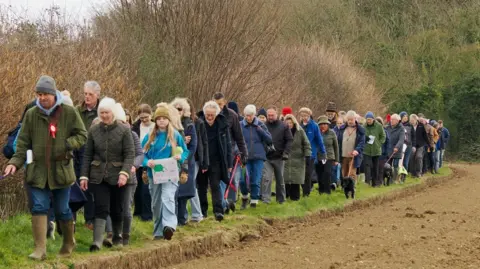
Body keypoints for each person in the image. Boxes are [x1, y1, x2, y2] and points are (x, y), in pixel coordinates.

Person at [5, 75, 87, 260]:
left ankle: (68, 243)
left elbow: (82, 135)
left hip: (61, 171)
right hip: (38, 171)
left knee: (62, 210)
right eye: (39, 94)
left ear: (53, 93)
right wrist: (13, 164)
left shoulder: (69, 112)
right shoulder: (31, 114)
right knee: (39, 207)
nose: (42, 98)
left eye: (45, 94)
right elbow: (23, 143)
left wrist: (68, 144)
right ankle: (40, 250)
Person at [79, 97, 134, 251]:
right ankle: (97, 241)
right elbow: (88, 154)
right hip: (98, 175)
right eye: (101, 113)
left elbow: (130, 153)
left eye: (107, 112)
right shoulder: (93, 130)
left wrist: (124, 172)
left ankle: (117, 236)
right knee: (101, 206)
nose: (104, 115)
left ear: (113, 113)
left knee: (117, 208)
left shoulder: (124, 130)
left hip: (118, 175)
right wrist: (84, 175)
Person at [141, 105, 189, 240]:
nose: (161, 121)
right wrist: (147, 162)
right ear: (155, 120)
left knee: (167, 197)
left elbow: (185, 151)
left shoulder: (175, 135)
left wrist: (181, 157)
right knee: (156, 203)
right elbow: (141, 155)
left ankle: (169, 226)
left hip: (171, 174)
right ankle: (158, 231)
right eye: (159, 119)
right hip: (154, 175)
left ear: (168, 120)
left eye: (164, 118)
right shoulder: (150, 137)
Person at [197, 101, 232, 221]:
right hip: (202, 160)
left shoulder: (222, 125)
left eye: (212, 114)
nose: (210, 117)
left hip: (216, 160)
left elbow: (228, 145)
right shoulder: (199, 123)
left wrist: (229, 163)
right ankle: (203, 210)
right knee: (201, 186)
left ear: (216, 114)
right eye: (208, 114)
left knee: (215, 185)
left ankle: (218, 211)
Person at [212, 93, 247, 213]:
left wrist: (244, 153)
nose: (218, 107)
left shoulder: (232, 115)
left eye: (220, 104)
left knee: (233, 180)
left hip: (231, 153)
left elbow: (239, 136)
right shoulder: (210, 115)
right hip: (215, 154)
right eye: (216, 104)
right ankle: (224, 204)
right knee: (219, 181)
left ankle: (231, 202)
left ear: (224, 102)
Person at [76, 81, 101, 230]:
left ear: (97, 95)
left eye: (90, 94)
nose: (87, 97)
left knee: (96, 187)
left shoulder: (103, 110)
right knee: (84, 185)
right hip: (81, 151)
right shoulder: (78, 110)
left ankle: (100, 218)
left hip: (98, 152)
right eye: (85, 93)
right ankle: (89, 219)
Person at [170, 98, 198, 226]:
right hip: (170, 163)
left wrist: (183, 158)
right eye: (175, 109)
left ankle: (182, 218)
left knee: (183, 193)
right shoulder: (169, 124)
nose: (177, 111)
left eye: (180, 109)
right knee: (172, 193)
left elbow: (193, 146)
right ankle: (173, 220)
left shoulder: (190, 125)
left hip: (186, 162)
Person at [240, 105, 272, 208]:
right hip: (244, 157)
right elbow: (235, 140)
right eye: (246, 115)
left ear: (254, 115)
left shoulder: (261, 125)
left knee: (255, 180)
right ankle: (245, 197)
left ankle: (254, 200)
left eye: (250, 115)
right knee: (243, 180)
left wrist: (260, 131)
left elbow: (269, 140)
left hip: (258, 156)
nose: (248, 118)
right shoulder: (240, 125)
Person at [262, 106, 293, 204]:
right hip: (266, 157)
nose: (270, 117)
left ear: (276, 114)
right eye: (269, 115)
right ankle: (266, 200)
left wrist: (286, 152)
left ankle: (281, 200)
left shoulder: (284, 126)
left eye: (272, 115)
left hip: (279, 157)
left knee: (280, 180)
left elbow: (289, 140)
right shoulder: (263, 126)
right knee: (266, 178)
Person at [132, 104, 155, 221]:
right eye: (141, 118)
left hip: (150, 161)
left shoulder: (156, 126)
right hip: (137, 162)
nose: (144, 120)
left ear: (151, 115)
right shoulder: (135, 127)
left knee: (146, 190)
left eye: (146, 117)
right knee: (137, 189)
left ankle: (147, 215)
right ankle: (138, 212)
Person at [186, 98, 207, 223]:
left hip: (195, 158)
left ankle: (197, 214)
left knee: (190, 184)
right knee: (187, 185)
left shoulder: (198, 122)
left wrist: (204, 161)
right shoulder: (175, 123)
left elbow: (203, 143)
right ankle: (190, 214)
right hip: (180, 158)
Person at [283, 114, 311, 201]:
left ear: (294, 123)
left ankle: (295, 198)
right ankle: (285, 196)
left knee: (296, 179)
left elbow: (306, 144)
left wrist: (307, 155)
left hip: (298, 158)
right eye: (287, 123)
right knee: (285, 178)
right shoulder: (282, 132)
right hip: (285, 158)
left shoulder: (300, 131)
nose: (289, 124)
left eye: (290, 123)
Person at [298, 107, 326, 196]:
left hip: (311, 154)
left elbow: (319, 140)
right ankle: (306, 189)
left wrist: (323, 152)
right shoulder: (299, 126)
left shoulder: (314, 126)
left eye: (306, 116)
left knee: (307, 174)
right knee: (300, 174)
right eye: (302, 116)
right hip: (300, 154)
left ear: (309, 115)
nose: (304, 117)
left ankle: (306, 194)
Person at [337, 110, 366, 183]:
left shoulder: (360, 130)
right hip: (343, 155)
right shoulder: (342, 128)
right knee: (344, 173)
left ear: (355, 119)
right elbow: (338, 140)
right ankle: (345, 188)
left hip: (354, 156)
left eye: (351, 119)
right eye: (348, 119)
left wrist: (357, 150)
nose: (350, 121)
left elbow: (362, 142)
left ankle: (352, 189)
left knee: (352, 173)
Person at [317, 116, 339, 194]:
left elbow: (336, 147)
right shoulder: (317, 133)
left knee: (327, 173)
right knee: (320, 175)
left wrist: (336, 159)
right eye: (321, 124)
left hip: (329, 156)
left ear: (328, 124)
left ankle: (327, 191)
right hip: (319, 157)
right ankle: (321, 191)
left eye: (325, 124)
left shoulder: (332, 133)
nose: (323, 126)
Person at [363, 112, 386, 187]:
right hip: (366, 149)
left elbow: (383, 136)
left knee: (375, 167)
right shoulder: (363, 126)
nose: (368, 121)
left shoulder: (379, 126)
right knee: (367, 166)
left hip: (376, 150)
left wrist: (379, 144)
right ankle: (367, 182)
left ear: (373, 119)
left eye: (370, 119)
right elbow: (361, 136)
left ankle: (375, 183)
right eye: (367, 119)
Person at [386, 114, 406, 184]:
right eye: (391, 119)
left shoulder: (401, 128)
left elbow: (401, 139)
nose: (391, 121)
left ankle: (395, 179)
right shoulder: (387, 127)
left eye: (393, 120)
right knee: (388, 165)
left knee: (395, 165)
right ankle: (389, 179)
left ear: (397, 121)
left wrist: (397, 147)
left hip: (397, 150)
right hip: (388, 148)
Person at [376, 117, 390, 185]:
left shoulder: (385, 132)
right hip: (374, 153)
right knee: (375, 168)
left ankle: (380, 182)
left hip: (382, 153)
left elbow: (387, 143)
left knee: (381, 168)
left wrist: (386, 153)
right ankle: (375, 181)